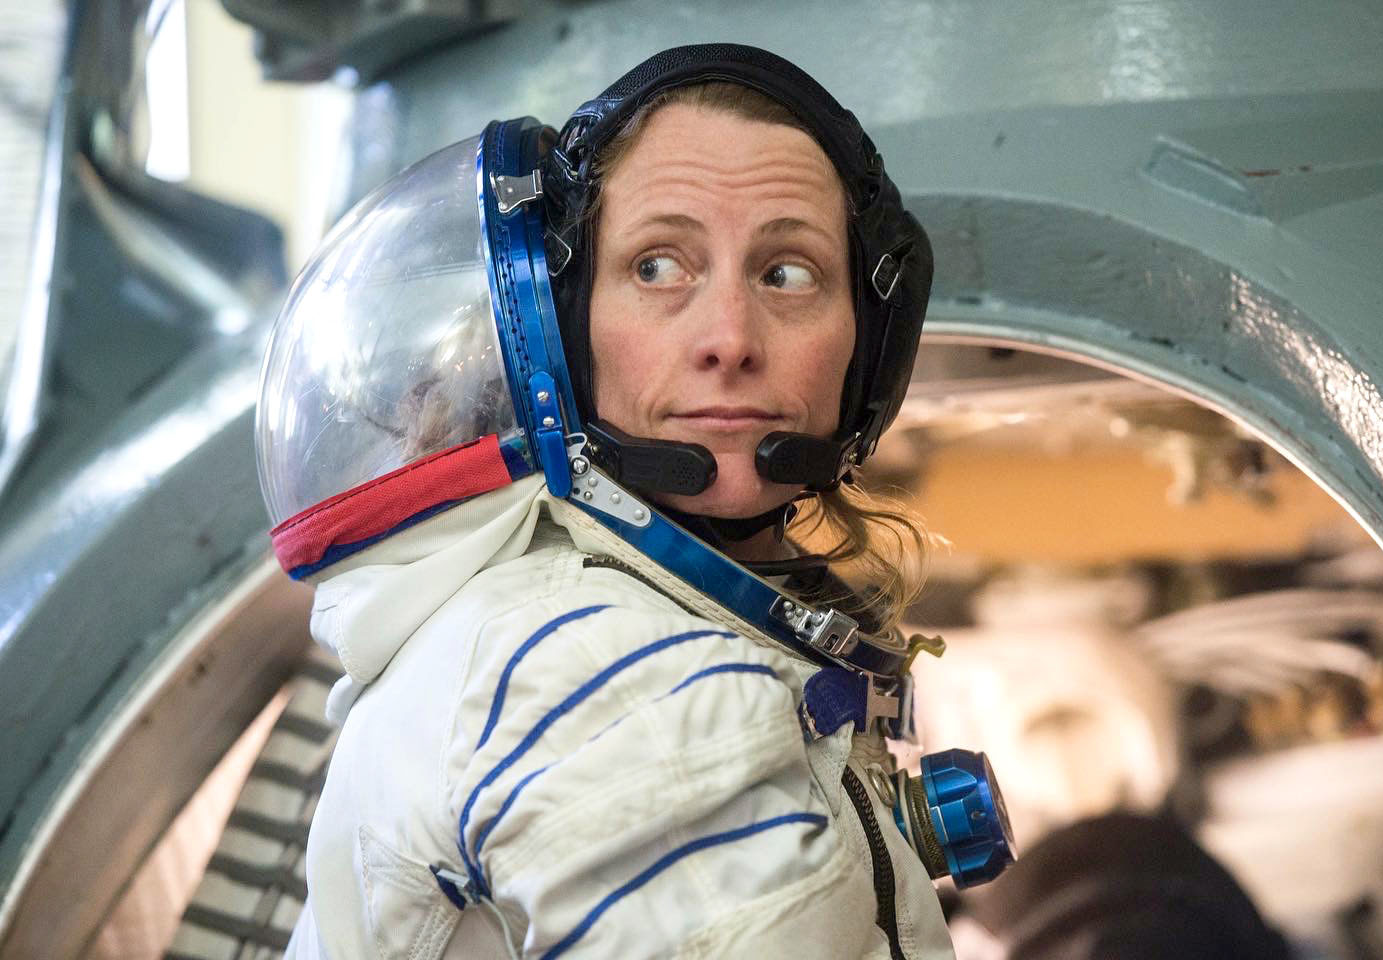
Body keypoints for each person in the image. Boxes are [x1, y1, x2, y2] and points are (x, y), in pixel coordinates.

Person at [256, 44, 1010, 959]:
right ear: (567, 333)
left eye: (787, 274)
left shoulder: (544, 623)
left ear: (867, 349)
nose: (729, 339)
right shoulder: (603, 681)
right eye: (658, 267)